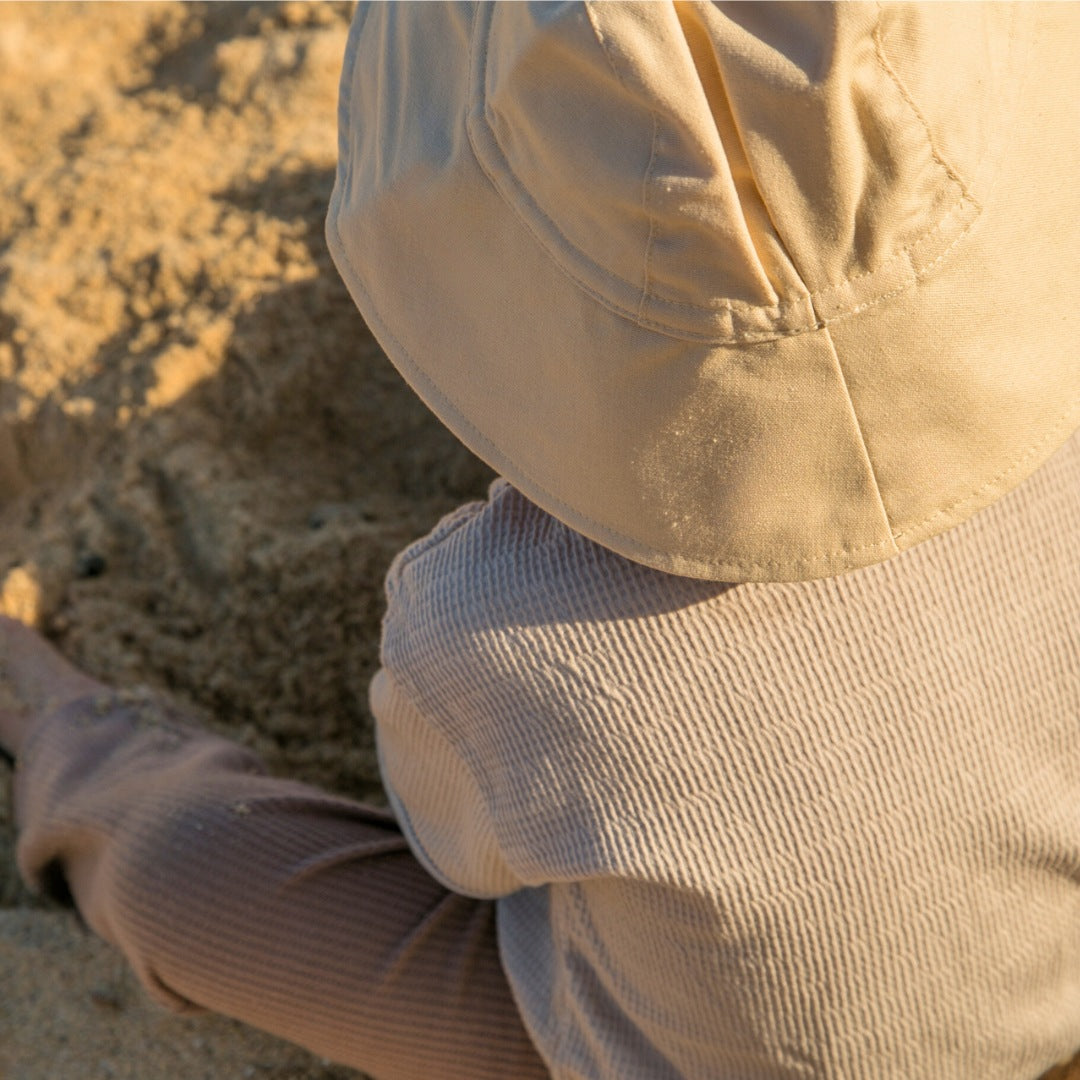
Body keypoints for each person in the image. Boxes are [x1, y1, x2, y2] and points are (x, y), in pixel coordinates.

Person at [3, 3, 1080, 1078]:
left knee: (178, 873)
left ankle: (58, 725)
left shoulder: (488, 624)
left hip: (718, 1059)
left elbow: (465, 859)